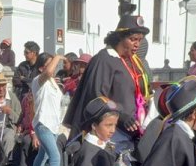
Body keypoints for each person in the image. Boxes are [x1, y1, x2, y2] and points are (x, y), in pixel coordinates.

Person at [63, 14, 152, 145]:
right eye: (133, 39)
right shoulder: (104, 59)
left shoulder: (129, 61)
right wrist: (121, 116)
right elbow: (99, 97)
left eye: (140, 40)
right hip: (109, 134)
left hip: (127, 132)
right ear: (120, 37)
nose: (137, 44)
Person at [26, 53, 65, 166]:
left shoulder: (53, 82)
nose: (53, 66)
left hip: (53, 124)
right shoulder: (38, 80)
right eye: (50, 63)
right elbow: (48, 72)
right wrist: (58, 57)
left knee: (43, 154)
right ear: (42, 68)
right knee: (55, 156)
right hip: (43, 124)